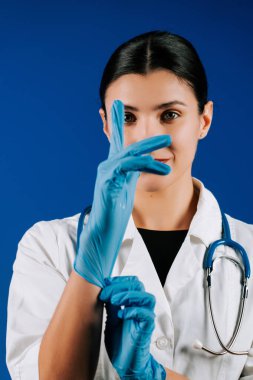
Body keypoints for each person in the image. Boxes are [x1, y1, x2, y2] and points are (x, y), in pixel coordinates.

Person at [6, 30, 253, 380]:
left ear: (204, 120)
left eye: (169, 115)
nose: (148, 139)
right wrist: (88, 267)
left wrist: (155, 376)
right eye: (128, 118)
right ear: (106, 124)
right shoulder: (48, 247)